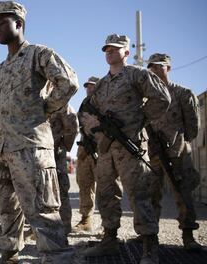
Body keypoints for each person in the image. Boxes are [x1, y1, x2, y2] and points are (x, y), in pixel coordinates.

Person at [0, 1, 79, 263]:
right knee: (7, 210)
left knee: (42, 212)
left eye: (2, 22)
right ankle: (10, 255)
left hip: (31, 146)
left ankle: (59, 259)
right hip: (4, 148)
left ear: (19, 23)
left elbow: (69, 82)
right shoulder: (1, 69)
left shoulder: (38, 54)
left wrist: (44, 109)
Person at [81, 34, 171, 264]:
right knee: (105, 194)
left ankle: (149, 246)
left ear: (126, 52)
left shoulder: (137, 75)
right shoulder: (101, 84)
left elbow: (162, 98)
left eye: (115, 49)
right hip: (106, 149)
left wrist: (139, 121)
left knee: (139, 194)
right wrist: (95, 128)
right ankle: (110, 239)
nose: (109, 52)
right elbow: (88, 109)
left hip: (130, 147)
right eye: (107, 49)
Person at [147, 53, 202, 251]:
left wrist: (176, 141)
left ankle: (188, 236)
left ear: (168, 68)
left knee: (182, 193)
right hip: (153, 155)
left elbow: (192, 128)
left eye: (158, 66)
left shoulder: (182, 93)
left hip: (177, 153)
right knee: (150, 194)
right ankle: (149, 236)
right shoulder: (147, 98)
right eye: (151, 67)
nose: (153, 70)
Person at [73, 76, 99, 233]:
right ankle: (86, 219)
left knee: (105, 186)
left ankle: (109, 226)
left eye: (92, 86)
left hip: (101, 148)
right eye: (87, 86)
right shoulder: (84, 103)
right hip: (84, 149)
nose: (89, 88)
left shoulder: (104, 102)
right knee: (84, 183)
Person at [49, 104, 79, 234]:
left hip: (55, 152)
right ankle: (45, 226)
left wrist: (63, 145)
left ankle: (65, 225)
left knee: (60, 189)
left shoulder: (61, 102)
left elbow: (72, 127)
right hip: (37, 151)